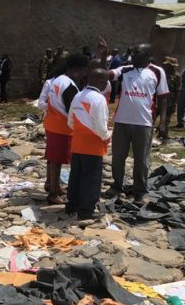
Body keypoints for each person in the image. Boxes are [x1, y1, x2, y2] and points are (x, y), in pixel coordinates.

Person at [101, 42, 169, 203]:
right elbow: (104, 75)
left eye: (137, 52)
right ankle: (117, 186)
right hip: (122, 121)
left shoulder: (157, 72)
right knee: (118, 157)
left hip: (144, 123)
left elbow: (164, 98)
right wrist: (104, 55)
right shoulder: (125, 69)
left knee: (142, 159)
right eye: (133, 52)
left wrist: (163, 122)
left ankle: (140, 190)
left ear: (148, 56)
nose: (133, 55)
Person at [43, 53, 89, 204]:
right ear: (77, 70)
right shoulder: (69, 85)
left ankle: (51, 184)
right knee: (57, 160)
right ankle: (53, 193)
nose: (84, 75)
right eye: (84, 71)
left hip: (52, 123)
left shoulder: (58, 79)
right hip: (62, 126)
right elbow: (72, 108)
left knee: (52, 158)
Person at [66, 67, 110, 220]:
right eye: (106, 81)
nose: (107, 84)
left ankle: (72, 205)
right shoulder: (99, 99)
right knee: (91, 179)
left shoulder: (78, 96)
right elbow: (100, 126)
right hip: (93, 145)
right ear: (99, 81)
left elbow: (70, 121)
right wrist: (107, 136)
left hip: (77, 143)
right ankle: (86, 210)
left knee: (76, 175)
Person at [155, 57, 180, 141]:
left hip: (169, 101)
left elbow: (177, 91)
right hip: (159, 99)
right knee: (152, 116)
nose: (166, 66)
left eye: (168, 65)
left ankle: (164, 135)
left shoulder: (176, 76)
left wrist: (175, 103)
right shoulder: (162, 73)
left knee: (166, 118)